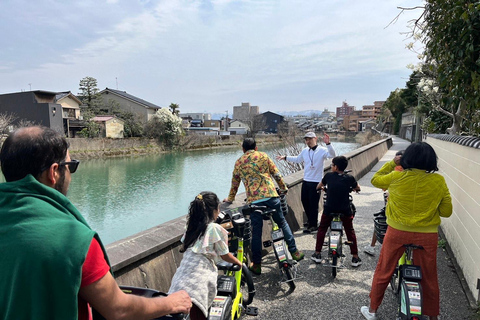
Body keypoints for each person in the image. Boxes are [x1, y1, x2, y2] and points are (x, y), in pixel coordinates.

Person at [0, 126, 191, 320]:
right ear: (54, 172)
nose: (71, 176)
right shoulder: (72, 239)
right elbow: (119, 309)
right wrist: (171, 303)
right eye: (71, 166)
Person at [360, 142, 453, 320]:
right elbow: (446, 212)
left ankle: (372, 311)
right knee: (429, 275)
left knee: (384, 269)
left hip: (397, 232)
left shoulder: (396, 176)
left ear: (406, 158)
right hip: (427, 235)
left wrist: (392, 163)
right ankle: (433, 316)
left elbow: (375, 179)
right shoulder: (438, 181)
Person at [224, 138, 304, 275]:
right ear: (256, 148)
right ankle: (294, 251)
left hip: (255, 202)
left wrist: (230, 198)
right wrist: (283, 189)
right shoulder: (263, 156)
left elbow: (235, 183)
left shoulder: (239, 162)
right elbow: (277, 174)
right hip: (272, 197)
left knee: (257, 232)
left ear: (243, 149)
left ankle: (256, 264)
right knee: (282, 222)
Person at [168, 191, 241, 320]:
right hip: (197, 285)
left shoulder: (191, 227)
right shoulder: (213, 228)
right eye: (218, 207)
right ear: (213, 211)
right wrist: (239, 263)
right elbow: (224, 255)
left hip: (179, 281)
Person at [277, 131, 336, 233]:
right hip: (306, 180)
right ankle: (310, 221)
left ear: (315, 138)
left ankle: (313, 225)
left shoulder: (322, 150)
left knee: (313, 204)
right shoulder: (305, 151)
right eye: (306, 139)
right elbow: (298, 159)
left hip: (316, 181)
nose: (308, 141)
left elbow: (332, 155)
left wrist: (328, 143)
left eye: (309, 139)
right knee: (305, 201)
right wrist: (286, 157)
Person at [311, 156, 362, 267]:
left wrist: (321, 188)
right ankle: (355, 257)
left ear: (336, 167)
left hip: (329, 209)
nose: (331, 167)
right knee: (350, 230)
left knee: (322, 229)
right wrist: (354, 189)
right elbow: (357, 188)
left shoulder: (328, 176)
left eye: (332, 165)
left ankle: (317, 253)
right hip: (345, 210)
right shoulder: (349, 178)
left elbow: (319, 186)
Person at [364, 150, 404, 256]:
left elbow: (377, 181)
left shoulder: (394, 172)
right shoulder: (411, 173)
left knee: (380, 221)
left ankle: (372, 246)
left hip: (393, 208)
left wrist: (391, 164)